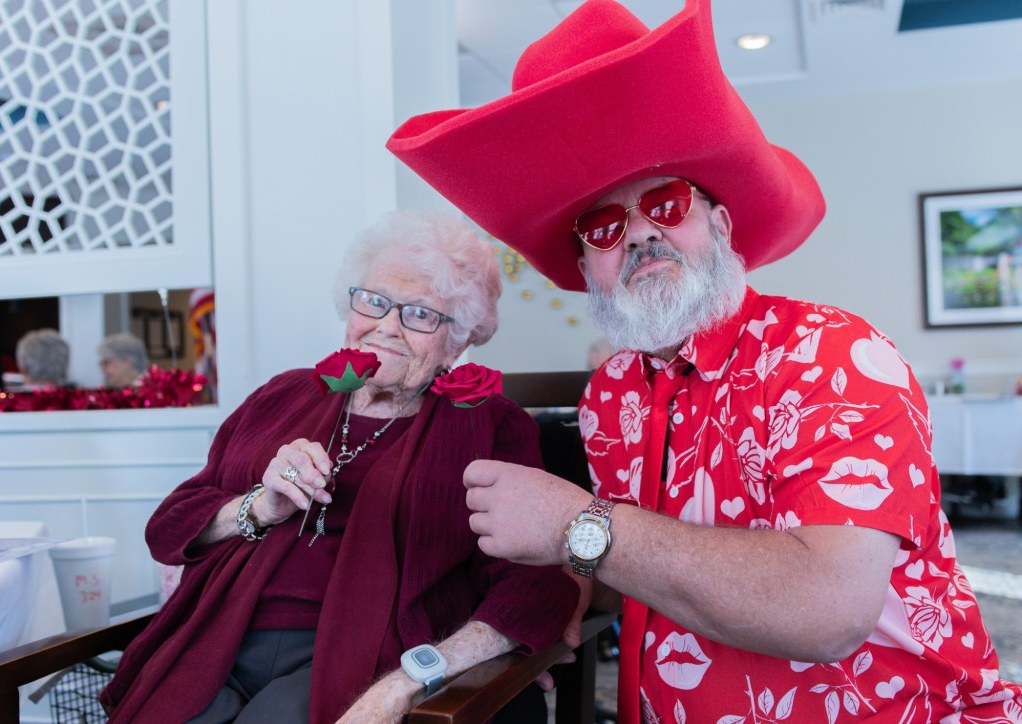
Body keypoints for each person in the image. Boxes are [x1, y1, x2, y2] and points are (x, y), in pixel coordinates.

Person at [386, 1, 1022, 721]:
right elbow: (636, 566)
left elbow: (828, 611)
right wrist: (544, 604)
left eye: (665, 203)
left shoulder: (832, 353)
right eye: (603, 226)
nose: (637, 236)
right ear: (586, 267)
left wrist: (576, 523)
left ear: (720, 226)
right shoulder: (610, 395)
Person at [99, 210, 578, 723]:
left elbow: (531, 585)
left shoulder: (488, 424)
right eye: (373, 301)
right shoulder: (283, 395)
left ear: (457, 338)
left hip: (364, 652)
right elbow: (170, 528)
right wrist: (262, 505)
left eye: (418, 314)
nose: (385, 327)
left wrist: (414, 679)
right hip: (219, 631)